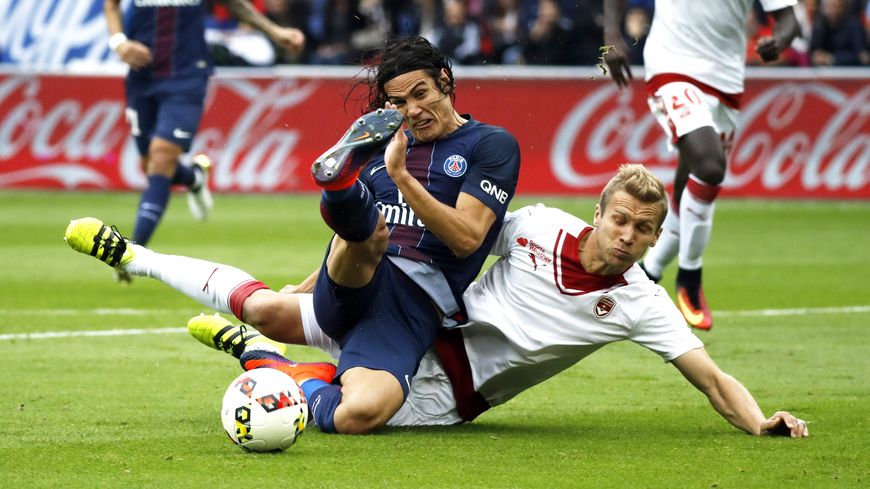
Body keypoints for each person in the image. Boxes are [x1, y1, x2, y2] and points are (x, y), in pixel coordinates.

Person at [64, 165, 807, 437]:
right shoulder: (538, 224)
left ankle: (258, 361)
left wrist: (758, 420)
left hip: (453, 388)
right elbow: (441, 238)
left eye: (645, 230)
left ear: (652, 239)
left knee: (350, 412)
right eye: (621, 219)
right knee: (273, 307)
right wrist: (307, 276)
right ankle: (140, 255)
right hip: (410, 315)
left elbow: (709, 374)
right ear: (600, 211)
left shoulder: (641, 301)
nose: (629, 235)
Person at [67, 35, 521, 434]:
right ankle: (133, 255)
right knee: (364, 240)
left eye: (421, 94)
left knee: (355, 414)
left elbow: (467, 239)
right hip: (354, 272)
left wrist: (401, 177)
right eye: (400, 104)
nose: (414, 111)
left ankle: (282, 364)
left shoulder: (490, 145)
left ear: (445, 79)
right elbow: (348, 242)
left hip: (412, 303)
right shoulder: (385, 146)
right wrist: (306, 287)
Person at [601, 0, 799, 330]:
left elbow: (789, 20)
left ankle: (649, 273)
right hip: (672, 67)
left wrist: (779, 41)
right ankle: (690, 276)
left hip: (726, 80)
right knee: (709, 166)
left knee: (692, 176)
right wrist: (611, 37)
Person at [103, 0, 304, 282]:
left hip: (187, 77)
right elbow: (111, 5)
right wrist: (119, 43)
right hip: (141, 77)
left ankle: (133, 251)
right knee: (151, 164)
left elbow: (234, 4)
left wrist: (274, 32)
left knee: (160, 159)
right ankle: (194, 177)